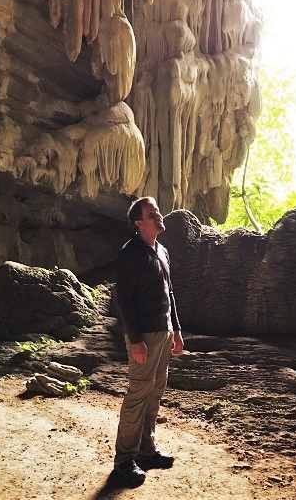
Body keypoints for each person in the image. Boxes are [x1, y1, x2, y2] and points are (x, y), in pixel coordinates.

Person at [113, 196, 184, 486]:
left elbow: (169, 294)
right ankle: (123, 461)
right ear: (139, 222)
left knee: (155, 393)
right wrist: (135, 340)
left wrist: (176, 330)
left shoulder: (162, 251)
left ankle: (146, 449)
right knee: (138, 394)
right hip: (144, 336)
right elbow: (124, 301)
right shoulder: (131, 254)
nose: (159, 215)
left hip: (164, 333)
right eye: (152, 213)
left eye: (158, 210)